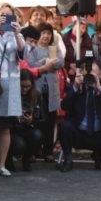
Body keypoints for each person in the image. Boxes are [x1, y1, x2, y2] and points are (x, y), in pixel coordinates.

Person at [58, 62, 101, 171]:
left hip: (98, 135)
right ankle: (68, 159)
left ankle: (98, 157)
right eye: (87, 73)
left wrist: (99, 89)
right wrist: (75, 87)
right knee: (64, 126)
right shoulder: (77, 88)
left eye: (93, 73)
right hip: (79, 134)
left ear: (100, 75)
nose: (89, 76)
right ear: (82, 74)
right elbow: (64, 106)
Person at [0, 3, 25, 177]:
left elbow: (23, 53)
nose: (5, 18)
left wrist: (17, 33)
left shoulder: (17, 35)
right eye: (2, 15)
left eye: (9, 15)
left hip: (12, 85)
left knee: (6, 128)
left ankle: (1, 165)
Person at [24, 23, 62, 162]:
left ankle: (48, 151)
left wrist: (44, 64)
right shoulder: (33, 48)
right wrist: (45, 63)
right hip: (36, 90)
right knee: (36, 120)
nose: (46, 36)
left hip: (51, 91)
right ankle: (33, 151)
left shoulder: (54, 48)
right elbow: (30, 65)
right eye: (43, 33)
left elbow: (60, 63)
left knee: (50, 121)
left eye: (49, 33)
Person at [11, 69, 45, 171]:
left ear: (32, 85)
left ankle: (27, 158)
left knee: (38, 135)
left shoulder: (37, 95)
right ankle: (8, 159)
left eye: (28, 86)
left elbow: (44, 119)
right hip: (13, 130)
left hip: (29, 128)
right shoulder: (12, 94)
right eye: (22, 86)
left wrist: (32, 120)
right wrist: (14, 117)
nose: (24, 89)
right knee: (19, 144)